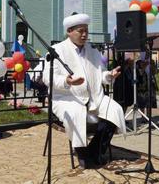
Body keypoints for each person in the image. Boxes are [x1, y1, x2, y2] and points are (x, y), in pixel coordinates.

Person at [42, 13, 126, 168]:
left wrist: (109, 75)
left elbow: (99, 74)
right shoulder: (56, 50)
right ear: (69, 31)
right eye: (80, 31)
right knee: (75, 113)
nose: (85, 34)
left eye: (86, 30)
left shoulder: (93, 51)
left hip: (94, 97)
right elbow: (47, 78)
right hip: (67, 98)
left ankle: (95, 150)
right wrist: (67, 81)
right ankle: (82, 153)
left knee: (115, 109)